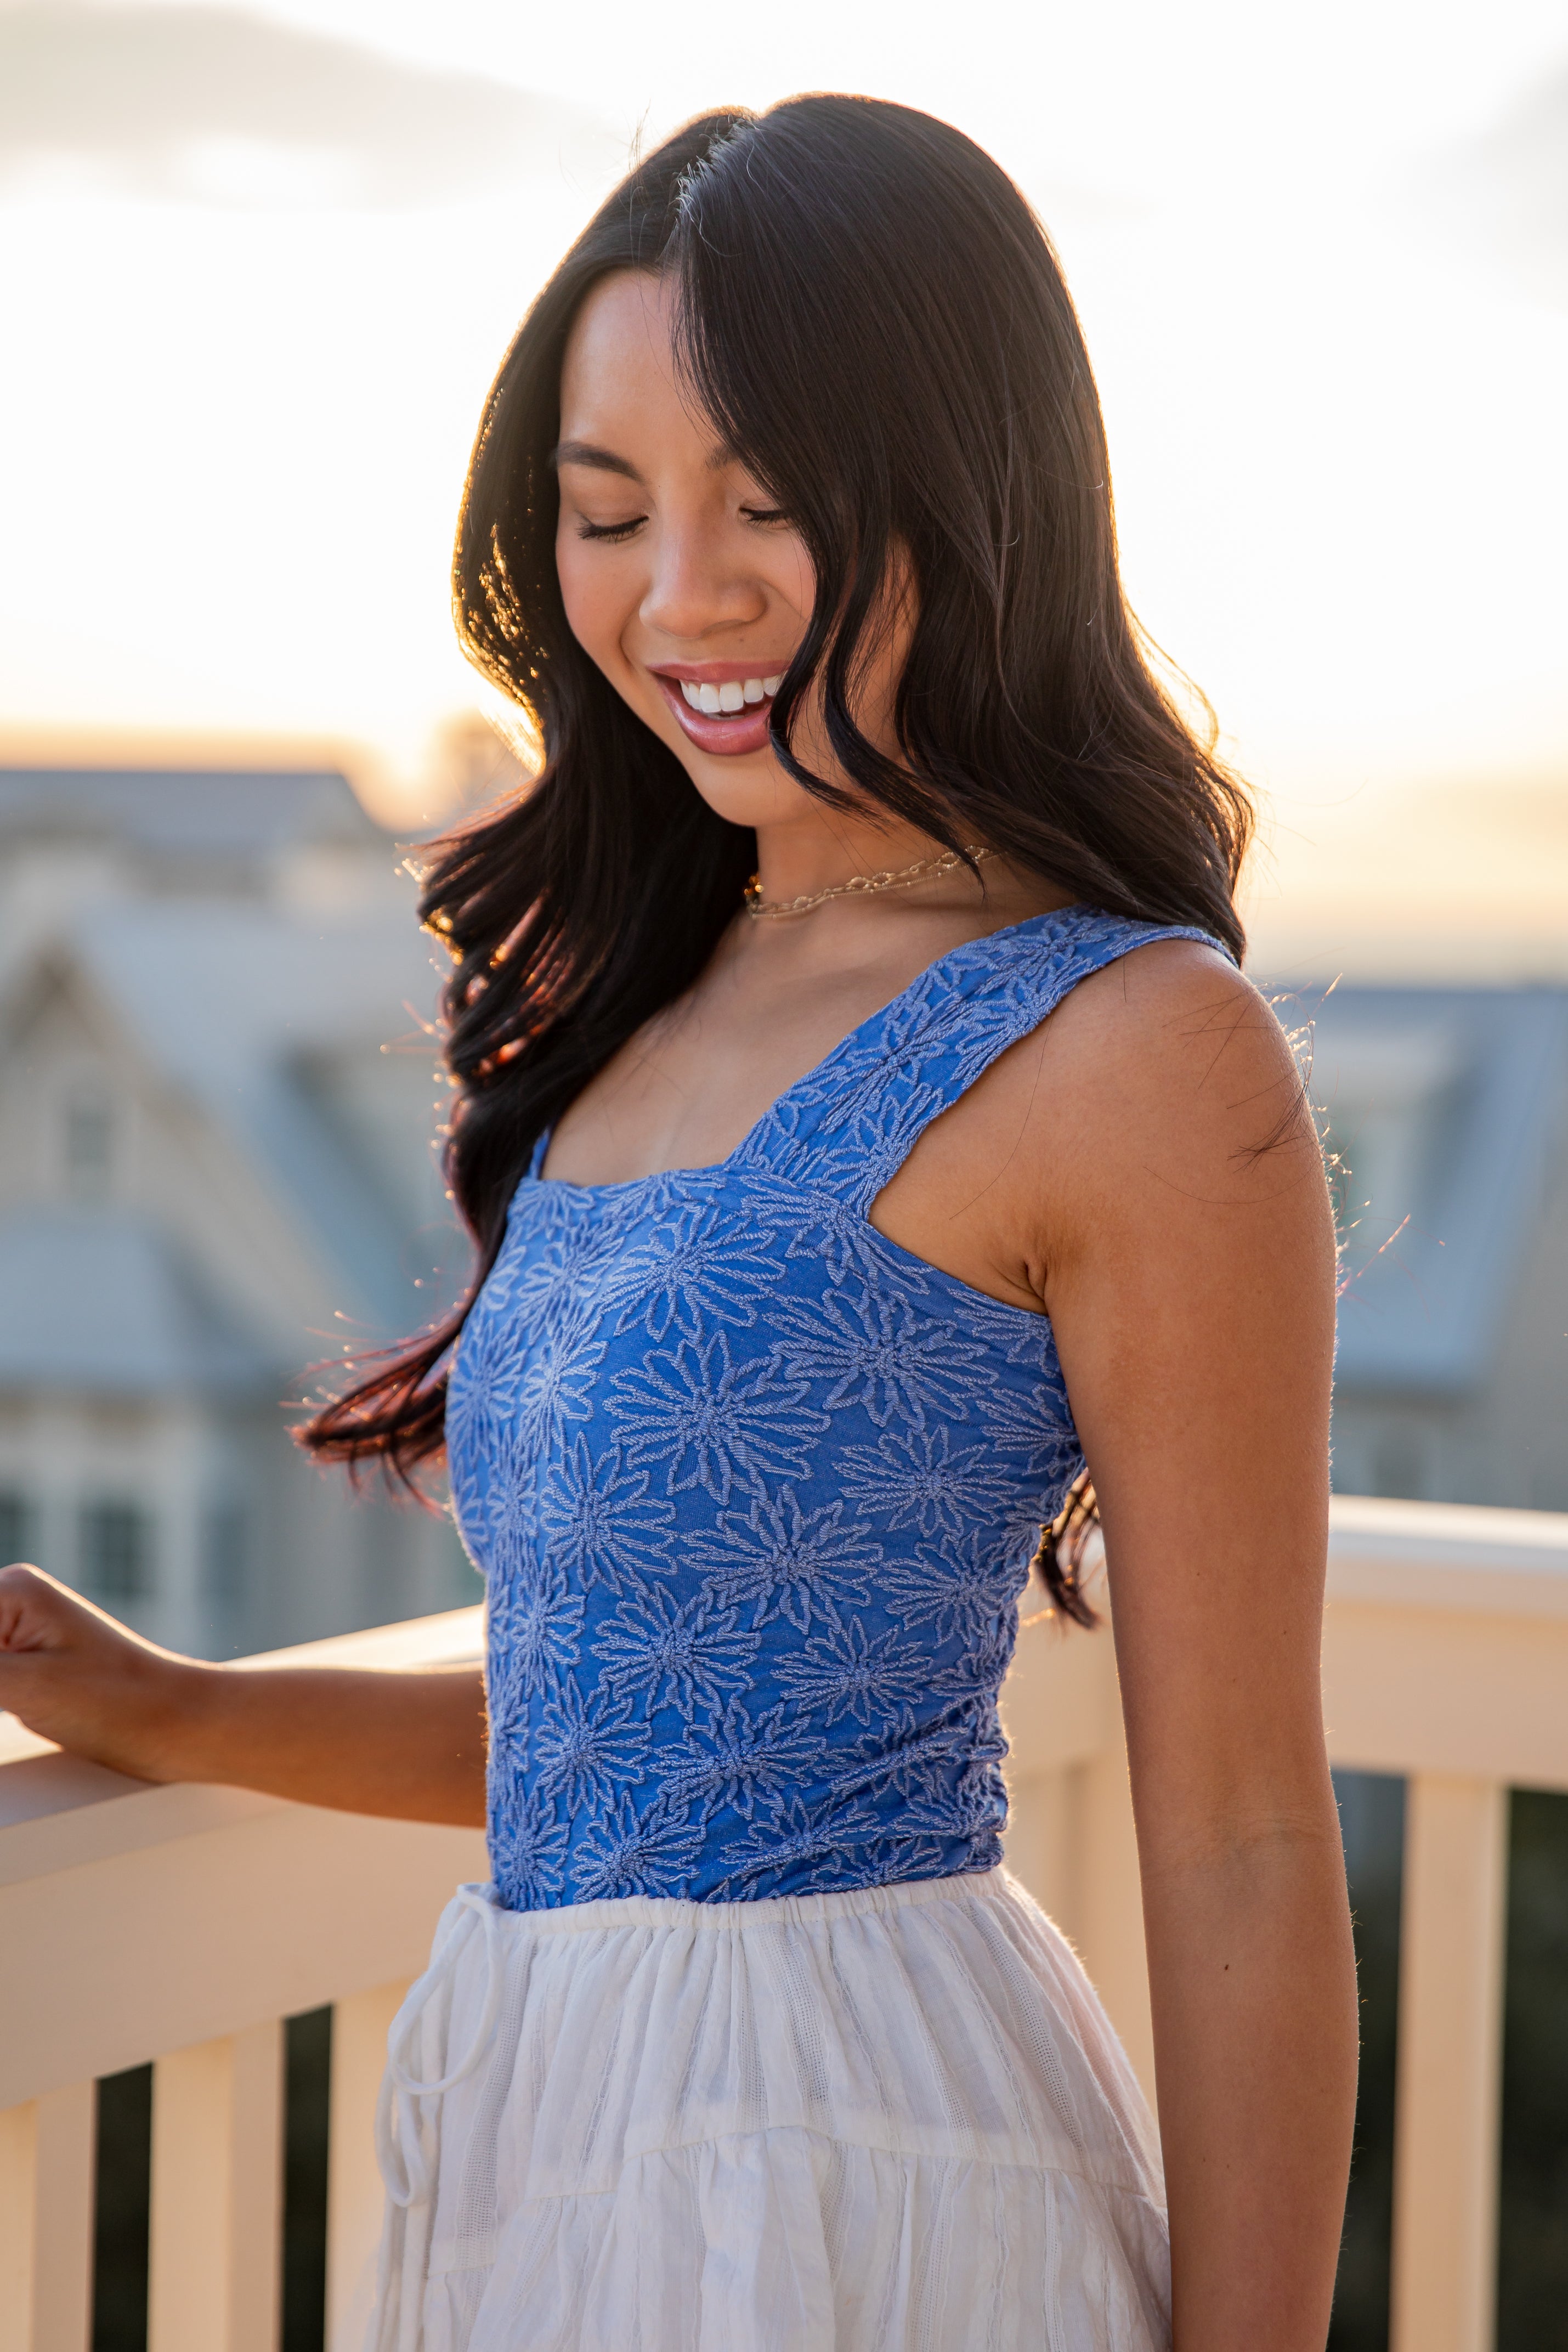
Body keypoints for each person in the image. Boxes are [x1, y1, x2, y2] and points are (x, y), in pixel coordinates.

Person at [0, 96, 1356, 2352]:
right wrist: (160, 1702)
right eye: (609, 511)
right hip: (548, 2138)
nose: (678, 596)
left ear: (970, 488)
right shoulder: (642, 1002)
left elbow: (1238, 1834)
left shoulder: (1137, 1050)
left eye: (770, 501)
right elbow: (614, 1729)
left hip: (864, 2171)